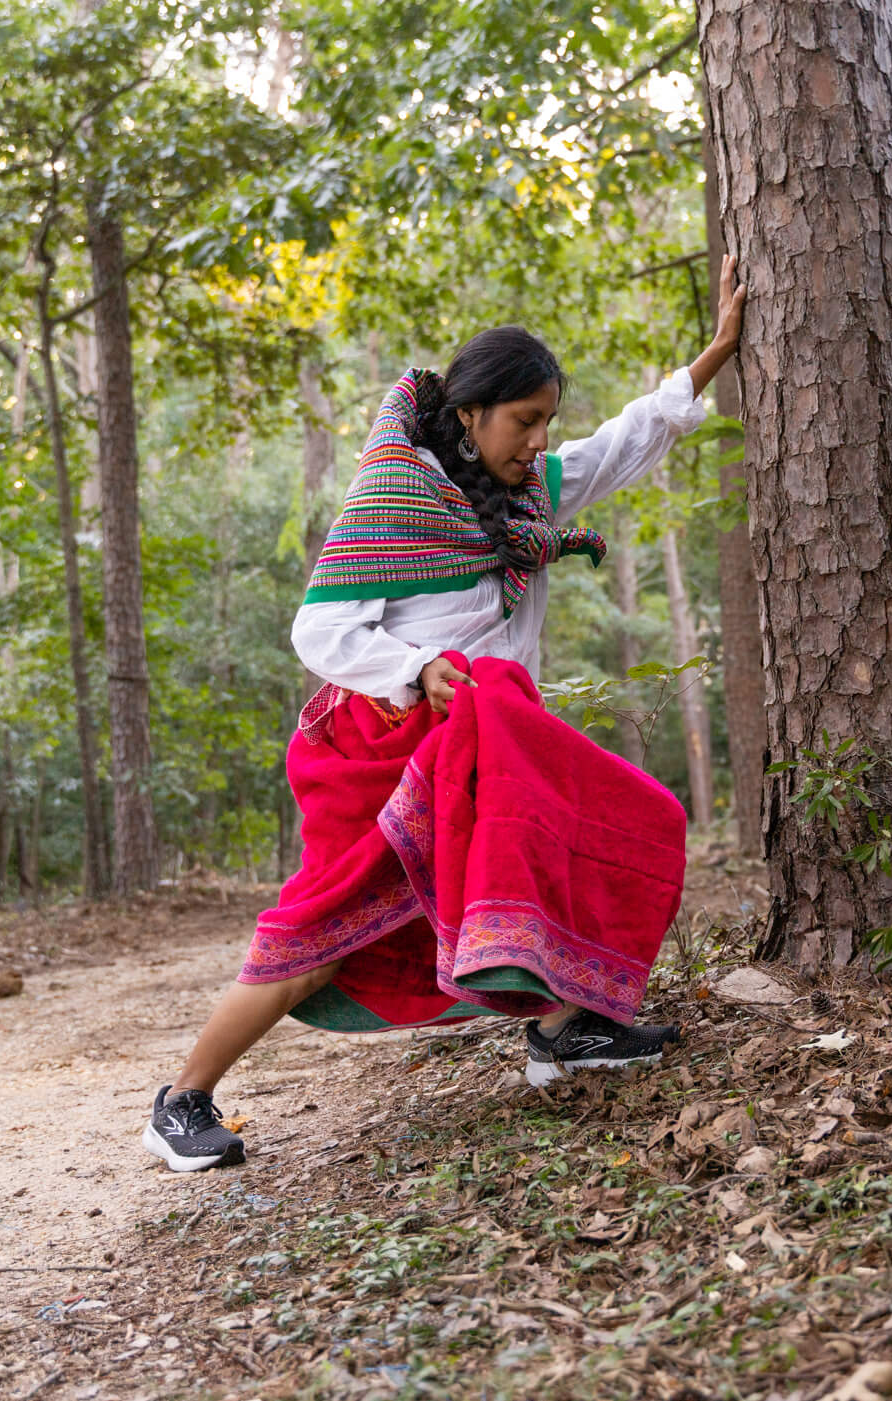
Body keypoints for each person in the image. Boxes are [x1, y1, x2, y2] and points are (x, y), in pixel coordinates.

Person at [142, 259, 750, 1172]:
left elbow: (622, 442)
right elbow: (320, 630)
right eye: (524, 419)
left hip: (478, 745)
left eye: (546, 421)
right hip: (380, 752)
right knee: (324, 936)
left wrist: (715, 354)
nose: (538, 439)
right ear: (470, 413)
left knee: (550, 850)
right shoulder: (396, 495)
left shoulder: (525, 492)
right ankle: (182, 1098)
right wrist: (416, 667)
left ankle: (562, 1032)